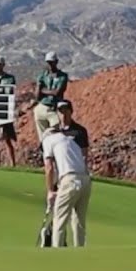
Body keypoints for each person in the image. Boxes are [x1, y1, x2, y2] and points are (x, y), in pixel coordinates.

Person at [41, 99, 92, 248]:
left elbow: (49, 167)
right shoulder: (67, 140)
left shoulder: (48, 140)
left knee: (59, 219)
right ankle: (79, 252)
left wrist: (50, 191)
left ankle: (58, 254)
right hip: (85, 180)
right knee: (79, 221)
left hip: (70, 179)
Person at [31, 51, 69, 144]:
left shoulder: (62, 76)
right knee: (43, 139)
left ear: (56, 62)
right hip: (42, 107)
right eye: (48, 62)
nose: (50, 64)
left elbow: (57, 92)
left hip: (54, 109)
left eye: (52, 62)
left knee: (55, 135)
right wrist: (44, 91)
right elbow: (37, 94)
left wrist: (43, 90)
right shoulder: (42, 76)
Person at [0, 55, 18, 167]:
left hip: (5, 112)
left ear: (3, 65)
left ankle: (13, 164)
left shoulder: (10, 78)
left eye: (0, 64)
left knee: (7, 139)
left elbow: (10, 89)